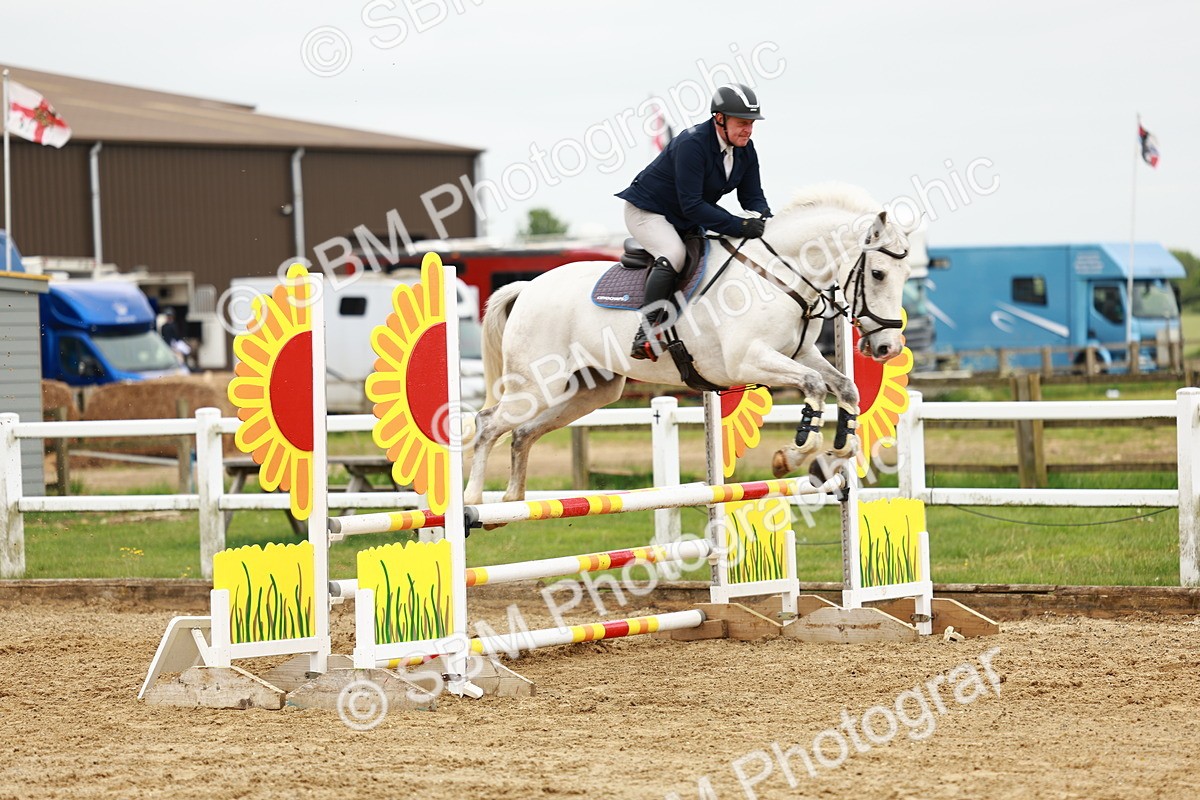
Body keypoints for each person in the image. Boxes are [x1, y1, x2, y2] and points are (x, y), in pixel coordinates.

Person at [617, 82, 773, 360]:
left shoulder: (745, 149)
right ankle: (646, 332)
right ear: (720, 119)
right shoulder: (692, 144)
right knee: (674, 254)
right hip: (648, 211)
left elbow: (752, 197)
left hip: (685, 217)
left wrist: (765, 221)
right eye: (741, 123)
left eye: (751, 123)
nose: (748, 130)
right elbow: (692, 204)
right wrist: (739, 226)